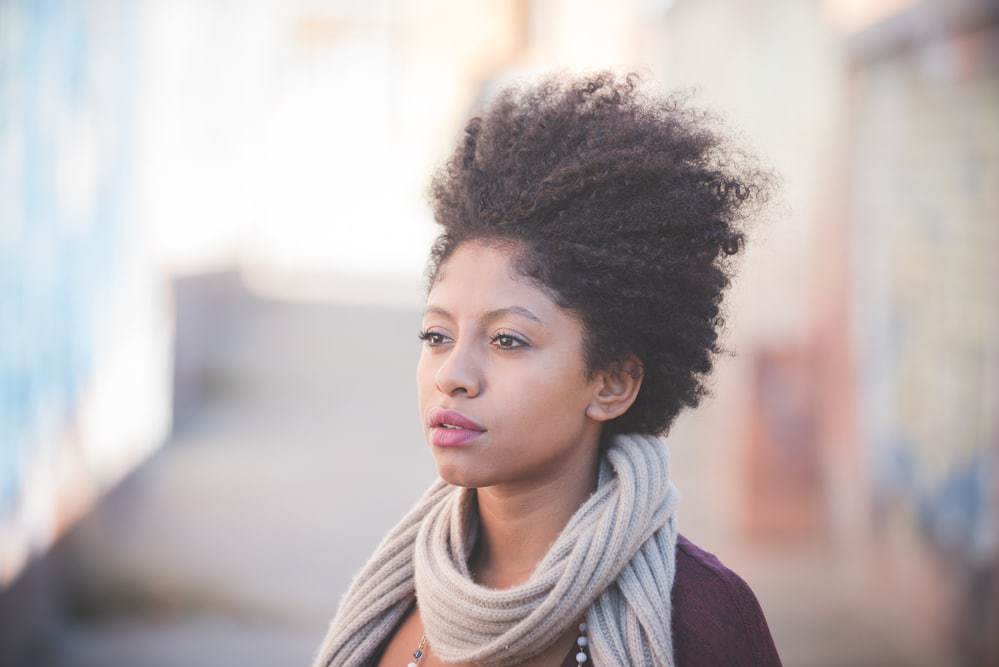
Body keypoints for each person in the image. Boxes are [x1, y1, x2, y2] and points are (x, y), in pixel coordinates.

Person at [312, 70, 781, 667]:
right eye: (437, 335)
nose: (453, 374)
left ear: (611, 383)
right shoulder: (398, 593)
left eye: (507, 340)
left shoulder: (701, 617)